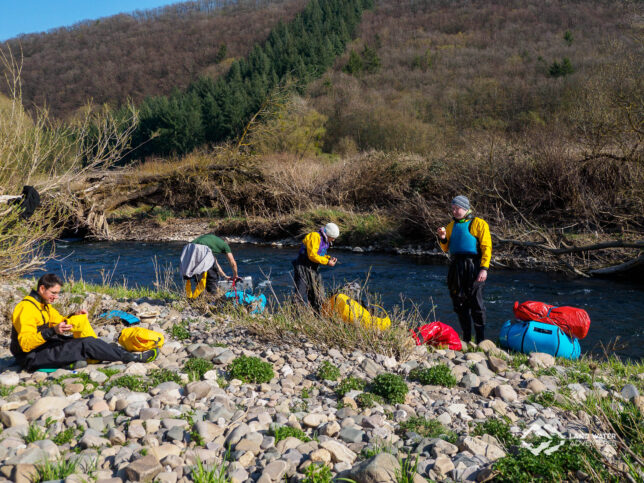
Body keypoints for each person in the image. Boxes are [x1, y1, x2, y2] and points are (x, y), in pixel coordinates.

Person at [11, 273, 157, 371]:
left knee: (85, 340)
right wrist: (52, 331)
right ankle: (133, 358)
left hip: (44, 347)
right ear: (42, 288)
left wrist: (75, 316)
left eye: (58, 293)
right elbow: (25, 344)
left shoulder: (44, 306)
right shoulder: (26, 308)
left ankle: (109, 353)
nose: (56, 297)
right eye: (53, 293)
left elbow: (61, 320)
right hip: (30, 357)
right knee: (85, 344)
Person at [437, 195, 492, 344]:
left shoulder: (479, 223)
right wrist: (442, 238)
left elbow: (486, 247)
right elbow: (446, 248)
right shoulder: (450, 226)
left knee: (476, 303)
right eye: (453, 208)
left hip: (474, 266)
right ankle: (467, 338)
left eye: (458, 208)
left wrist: (484, 268)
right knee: (459, 302)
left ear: (466, 208)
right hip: (456, 267)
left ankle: (481, 340)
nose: (455, 211)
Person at [293, 223, 339, 312]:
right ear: (328, 234)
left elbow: (320, 255)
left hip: (313, 268)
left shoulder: (326, 241)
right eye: (333, 237)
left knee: (317, 292)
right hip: (302, 266)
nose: (333, 239)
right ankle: (295, 316)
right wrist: (327, 262)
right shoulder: (315, 236)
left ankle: (317, 315)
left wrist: (328, 258)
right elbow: (312, 255)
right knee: (300, 292)